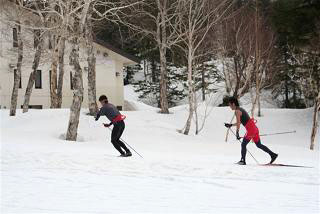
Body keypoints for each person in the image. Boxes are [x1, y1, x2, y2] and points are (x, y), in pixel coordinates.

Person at [224, 97, 278, 165]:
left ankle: (242, 161)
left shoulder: (237, 111)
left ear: (233, 104)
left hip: (251, 129)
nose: (230, 107)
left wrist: (237, 133)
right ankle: (273, 155)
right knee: (259, 145)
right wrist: (231, 125)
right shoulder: (240, 109)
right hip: (254, 128)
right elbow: (240, 122)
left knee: (243, 144)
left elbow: (238, 123)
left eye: (230, 105)